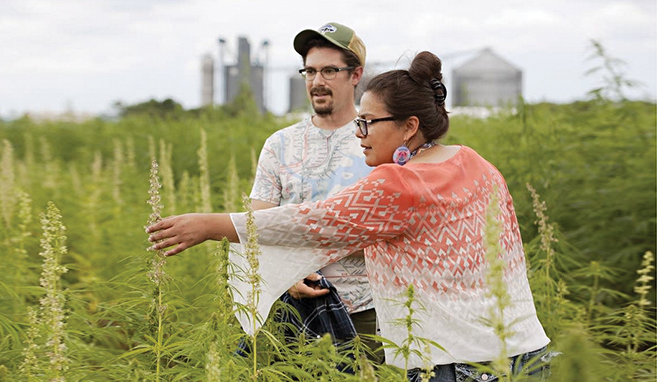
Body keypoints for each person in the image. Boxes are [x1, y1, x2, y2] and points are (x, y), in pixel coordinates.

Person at [147, 51, 552, 381]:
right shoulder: (475, 163)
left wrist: (209, 226)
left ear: (409, 126)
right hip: (526, 352)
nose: (359, 133)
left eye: (368, 122)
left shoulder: (398, 183)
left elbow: (312, 221)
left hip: (457, 363)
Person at [245, 22, 381, 356]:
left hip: (366, 310)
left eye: (330, 70)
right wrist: (286, 274)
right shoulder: (280, 145)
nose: (317, 82)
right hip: (291, 310)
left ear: (355, 74)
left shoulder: (381, 140)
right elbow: (256, 226)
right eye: (310, 71)